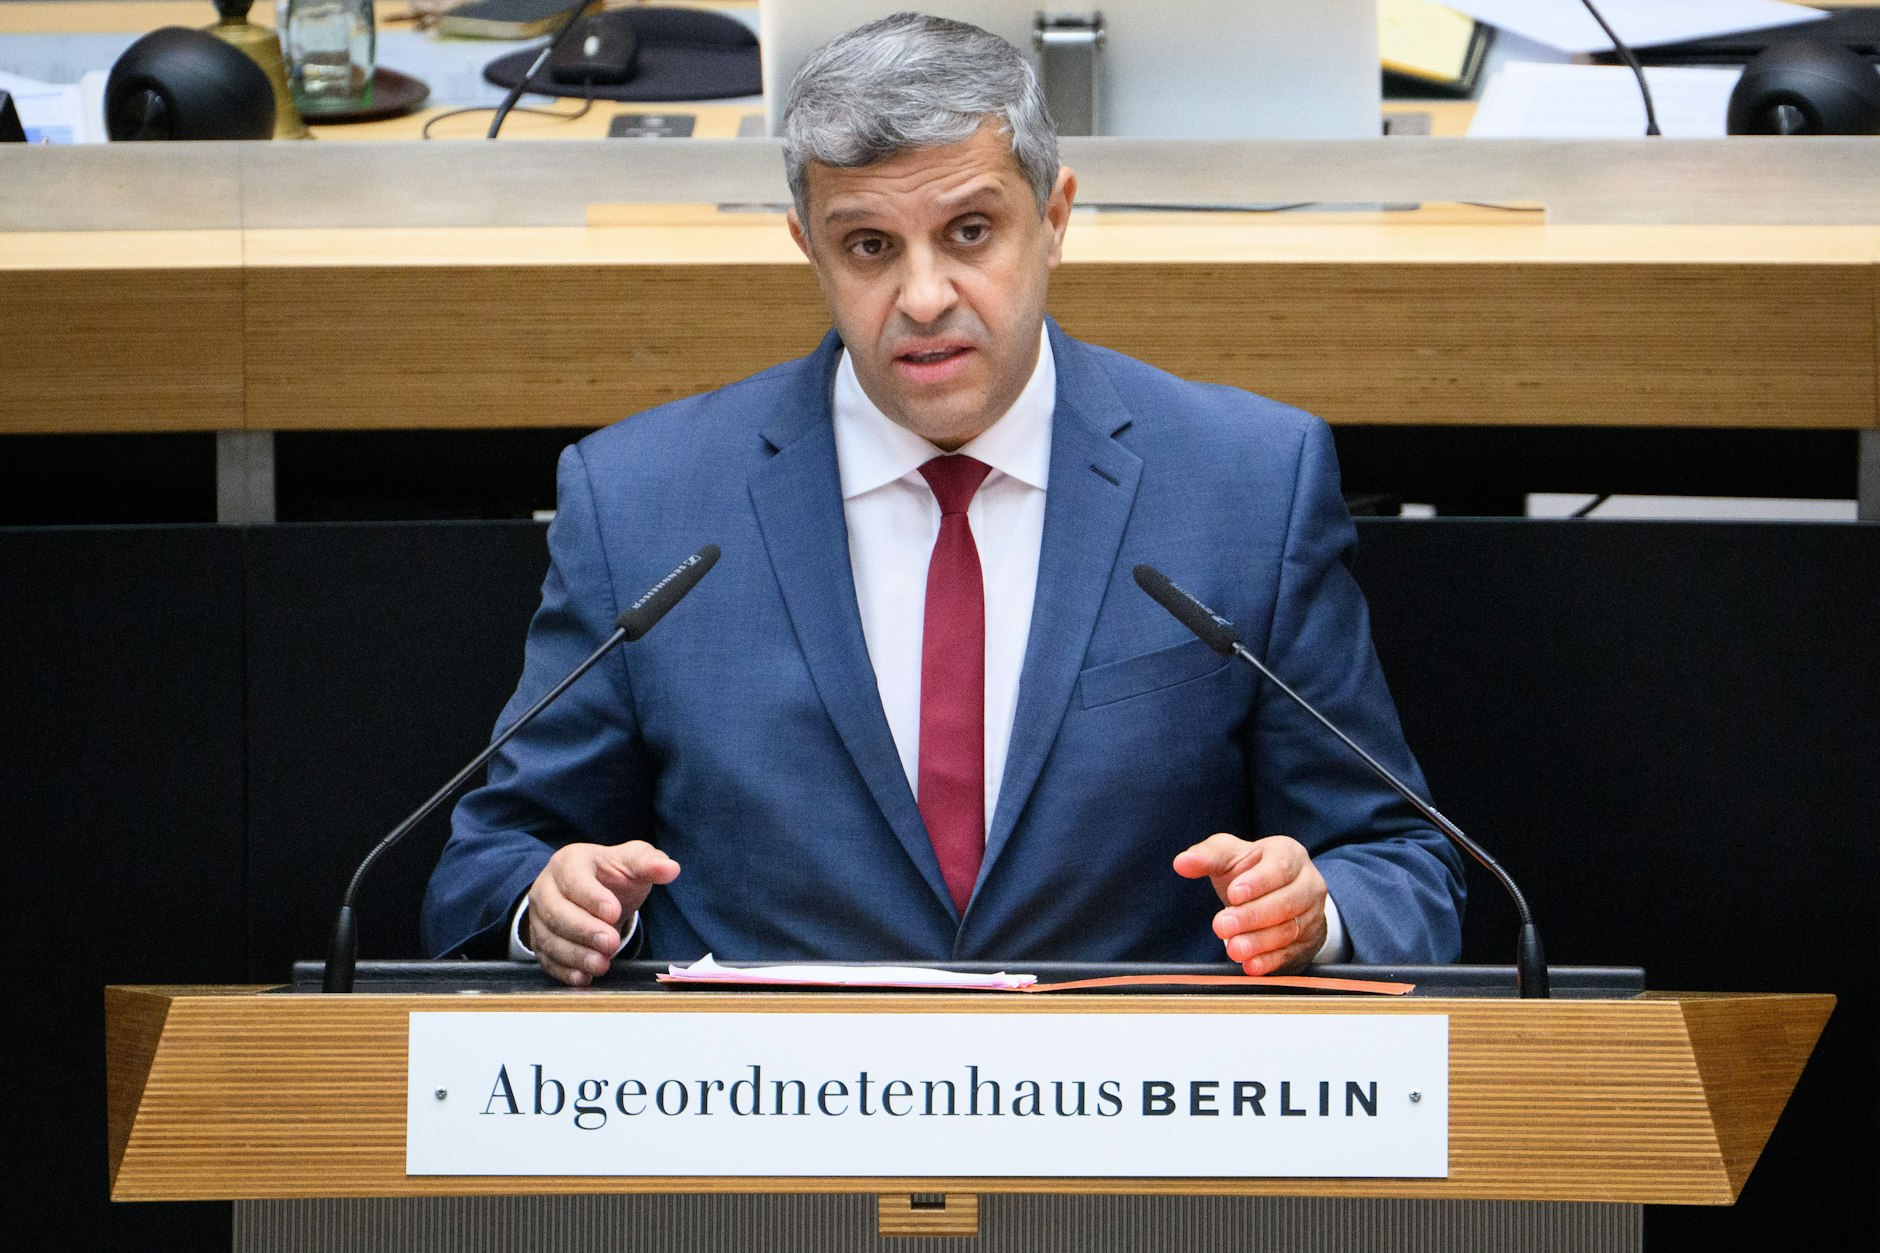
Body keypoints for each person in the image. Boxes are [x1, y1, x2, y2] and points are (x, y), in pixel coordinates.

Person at [421, 13, 1464, 987]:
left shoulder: (1246, 481)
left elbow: (1401, 859)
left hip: (1122, 1133)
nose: (922, 296)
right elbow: (486, 862)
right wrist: (545, 901)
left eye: (969, 231)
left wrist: (1313, 907)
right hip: (772, 1136)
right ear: (809, 250)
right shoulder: (640, 501)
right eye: (869, 246)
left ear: (1052, 219)